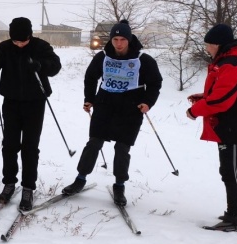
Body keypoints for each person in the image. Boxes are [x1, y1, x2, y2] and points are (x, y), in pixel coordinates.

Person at [62, 20, 163, 206]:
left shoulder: (142, 59)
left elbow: (156, 82)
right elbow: (90, 77)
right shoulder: (102, 57)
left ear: (129, 39)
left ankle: (119, 185)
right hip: (105, 104)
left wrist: (148, 102)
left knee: (122, 147)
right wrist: (89, 98)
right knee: (94, 143)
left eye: (123, 39)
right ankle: (80, 179)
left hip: (131, 108)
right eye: (115, 39)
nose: (118, 43)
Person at [187, 23, 237, 236]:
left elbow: (221, 100)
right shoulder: (233, 61)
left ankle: (235, 217)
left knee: (231, 171)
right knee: (235, 169)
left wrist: (195, 111)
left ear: (219, 44)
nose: (207, 49)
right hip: (236, 123)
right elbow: (226, 92)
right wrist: (202, 98)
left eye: (209, 45)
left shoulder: (233, 64)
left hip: (236, 126)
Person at [0, 17, 62, 211]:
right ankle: (9, 183)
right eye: (16, 41)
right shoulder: (5, 47)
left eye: (23, 41)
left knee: (30, 146)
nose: (19, 44)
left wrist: (40, 65)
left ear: (30, 35)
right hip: (11, 102)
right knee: (9, 145)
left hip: (35, 102)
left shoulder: (41, 46)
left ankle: (28, 187)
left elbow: (55, 66)